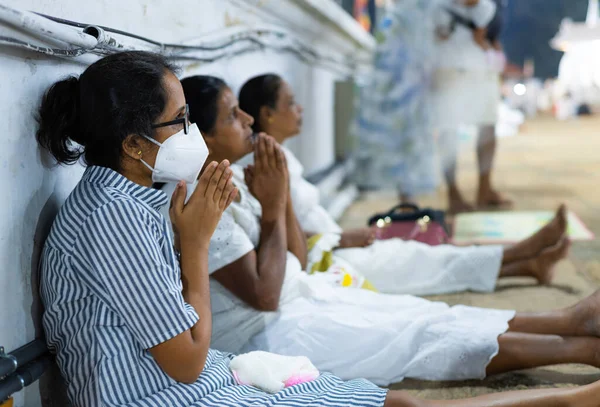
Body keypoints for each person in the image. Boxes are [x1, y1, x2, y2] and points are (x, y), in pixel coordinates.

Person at [168, 74, 600, 391]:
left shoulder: (239, 179)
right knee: (413, 335)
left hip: (301, 294)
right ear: (202, 136)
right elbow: (264, 294)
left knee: (421, 314)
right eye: (231, 115)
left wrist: (278, 204)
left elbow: (294, 259)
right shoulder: (201, 201)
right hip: (265, 332)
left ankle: (566, 321)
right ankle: (580, 347)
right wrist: (276, 207)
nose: (246, 119)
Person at [37, 51, 397, 407]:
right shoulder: (112, 215)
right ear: (133, 144)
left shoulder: (132, 200)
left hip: (188, 383)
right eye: (180, 120)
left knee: (369, 396)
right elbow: (188, 362)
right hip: (160, 396)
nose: (191, 132)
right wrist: (195, 242)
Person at [236, 73, 569, 296]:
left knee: (428, 256)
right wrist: (341, 237)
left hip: (337, 246)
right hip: (327, 259)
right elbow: (273, 232)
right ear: (267, 114)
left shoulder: (278, 157)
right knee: (428, 262)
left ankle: (527, 260)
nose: (300, 108)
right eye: (291, 102)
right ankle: (525, 254)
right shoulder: (259, 166)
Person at [352, 0, 440, 202]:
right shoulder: (400, 19)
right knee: (401, 136)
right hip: (400, 74)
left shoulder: (412, 16)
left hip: (410, 73)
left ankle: (408, 196)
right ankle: (406, 197)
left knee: (412, 136)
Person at [432, 0, 510, 213]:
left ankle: (484, 190)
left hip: (479, 63)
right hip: (452, 64)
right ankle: (453, 193)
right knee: (450, 128)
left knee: (487, 125)